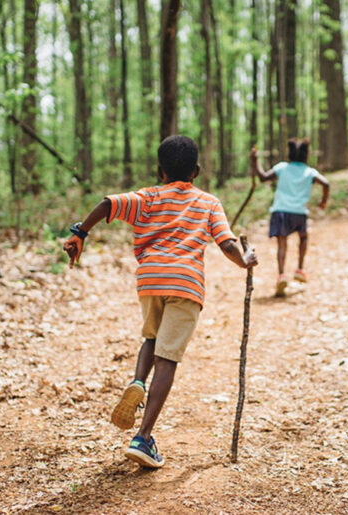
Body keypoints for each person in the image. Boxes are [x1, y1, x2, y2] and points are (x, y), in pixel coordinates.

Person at [63, 135, 258, 469]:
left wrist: (81, 232)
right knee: (167, 357)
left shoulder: (147, 197)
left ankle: (138, 381)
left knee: (151, 338)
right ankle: (143, 436)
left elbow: (109, 203)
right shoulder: (208, 203)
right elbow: (226, 244)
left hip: (150, 279)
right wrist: (245, 260)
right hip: (185, 284)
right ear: (196, 171)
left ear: (160, 170)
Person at [250, 139, 329, 297]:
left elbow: (263, 177)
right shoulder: (309, 172)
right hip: (299, 212)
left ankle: (281, 275)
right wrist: (323, 202)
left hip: (281, 211)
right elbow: (326, 183)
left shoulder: (282, 168)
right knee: (304, 238)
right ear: (306, 155)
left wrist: (255, 161)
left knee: (282, 243)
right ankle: (300, 269)